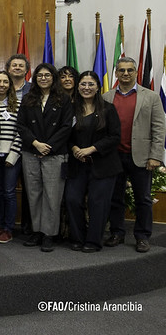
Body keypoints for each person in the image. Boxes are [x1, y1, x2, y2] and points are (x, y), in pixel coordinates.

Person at [102, 57, 166, 253]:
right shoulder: (106, 97)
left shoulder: (151, 97)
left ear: (136, 72)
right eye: (121, 70)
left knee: (143, 199)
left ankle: (142, 236)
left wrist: (155, 156)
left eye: (130, 70)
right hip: (114, 156)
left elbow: (159, 127)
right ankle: (117, 232)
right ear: (116, 73)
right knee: (115, 198)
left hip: (142, 157)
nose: (126, 73)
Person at [17, 63, 73, 252]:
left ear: (53, 77)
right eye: (39, 75)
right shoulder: (27, 99)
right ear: (35, 78)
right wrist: (36, 144)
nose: (43, 78)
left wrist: (48, 146)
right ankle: (36, 231)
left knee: (52, 194)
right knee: (34, 194)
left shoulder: (63, 99)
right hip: (31, 151)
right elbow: (21, 126)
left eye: (47, 75)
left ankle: (49, 234)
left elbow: (66, 127)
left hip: (55, 153)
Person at [65, 71, 122, 252]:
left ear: (98, 87)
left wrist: (92, 149)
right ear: (78, 86)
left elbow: (115, 137)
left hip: (103, 165)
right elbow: (65, 135)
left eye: (90, 84)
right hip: (77, 164)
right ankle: (78, 238)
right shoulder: (71, 109)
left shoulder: (108, 108)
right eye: (83, 84)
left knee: (98, 203)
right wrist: (74, 148)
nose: (86, 88)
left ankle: (93, 241)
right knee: (72, 200)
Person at [0, 71, 23, 244]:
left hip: (11, 156)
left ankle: (8, 229)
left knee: (9, 192)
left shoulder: (17, 104)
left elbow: (21, 132)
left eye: (5, 82)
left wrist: (13, 155)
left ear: (10, 85)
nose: (1, 84)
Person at [6, 53, 33, 235]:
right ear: (8, 68)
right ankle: (8, 227)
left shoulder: (33, 90)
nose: (17, 68)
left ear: (26, 70)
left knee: (31, 190)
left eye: (20, 65)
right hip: (8, 147)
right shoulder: (2, 88)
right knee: (7, 189)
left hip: (30, 146)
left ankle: (29, 228)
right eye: (14, 65)